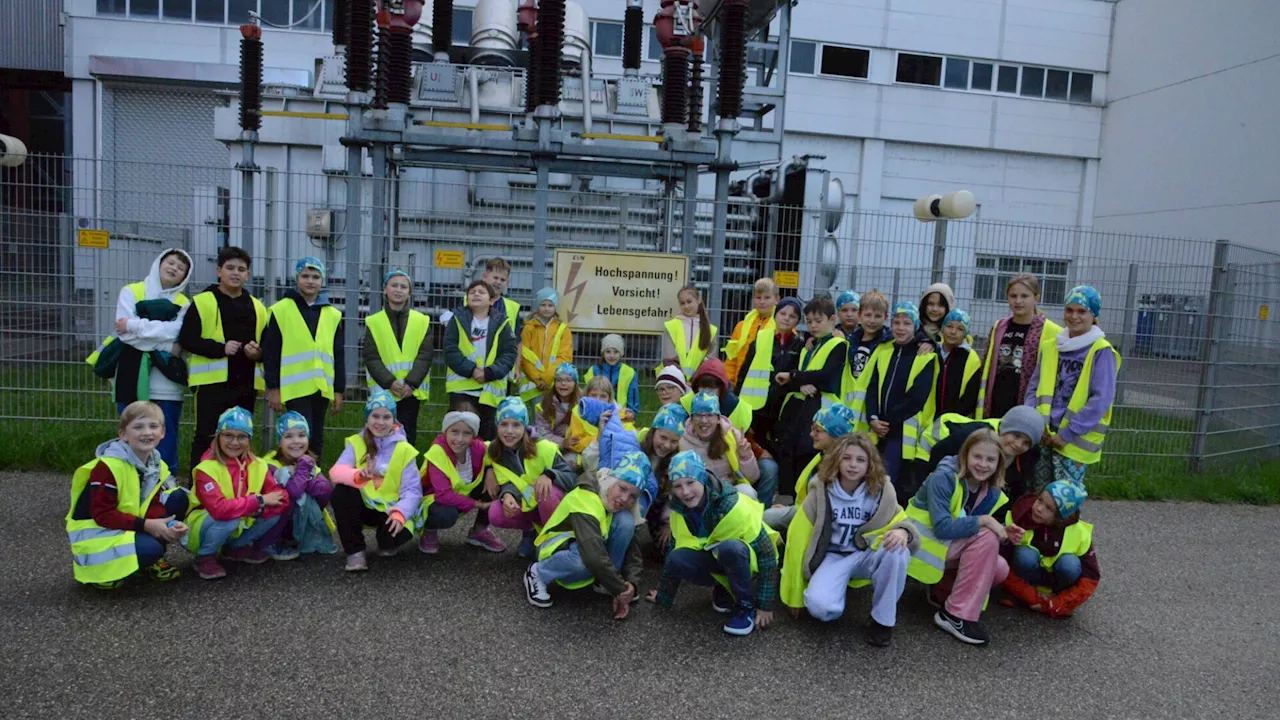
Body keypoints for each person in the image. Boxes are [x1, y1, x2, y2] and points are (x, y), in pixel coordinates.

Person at [779, 434, 918, 646]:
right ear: (837, 459)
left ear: (870, 464)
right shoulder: (821, 491)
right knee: (821, 609)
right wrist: (795, 596)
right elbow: (797, 541)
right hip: (833, 556)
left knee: (898, 551)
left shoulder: (881, 490)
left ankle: (882, 621)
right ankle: (836, 589)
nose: (853, 465)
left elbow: (903, 521)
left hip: (866, 554)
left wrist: (903, 531)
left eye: (860, 460)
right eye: (847, 458)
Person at [646, 451, 779, 637]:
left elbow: (766, 554)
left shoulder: (732, 505)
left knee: (729, 548)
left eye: (690, 482)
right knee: (677, 556)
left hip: (748, 562)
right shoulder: (679, 509)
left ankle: (745, 606)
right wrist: (664, 596)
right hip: (718, 559)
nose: (685, 492)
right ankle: (725, 588)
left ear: (703, 477)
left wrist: (765, 605)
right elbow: (673, 551)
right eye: (677, 486)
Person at [86, 248, 192, 473]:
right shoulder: (131, 291)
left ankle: (165, 485)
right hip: (129, 377)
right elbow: (125, 335)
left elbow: (179, 332)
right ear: (159, 264)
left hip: (166, 384)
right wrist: (164, 344)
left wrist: (136, 326)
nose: (174, 268)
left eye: (181, 267)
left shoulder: (185, 303)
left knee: (166, 435)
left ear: (185, 276)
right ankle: (130, 480)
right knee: (133, 433)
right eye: (170, 262)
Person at [66, 401, 189, 590]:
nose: (147, 432)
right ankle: (102, 571)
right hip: (98, 536)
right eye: (138, 427)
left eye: (153, 426)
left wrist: (169, 525)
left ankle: (150, 560)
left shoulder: (156, 463)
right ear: (123, 434)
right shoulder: (108, 467)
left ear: (162, 432)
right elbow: (103, 515)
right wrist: (147, 525)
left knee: (178, 498)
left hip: (123, 525)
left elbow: (152, 504)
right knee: (151, 548)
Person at [906, 429, 1010, 646]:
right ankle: (954, 615)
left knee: (1000, 567)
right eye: (977, 456)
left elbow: (967, 523)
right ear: (965, 455)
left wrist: (1004, 530)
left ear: (999, 463)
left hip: (945, 548)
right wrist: (985, 522)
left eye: (990, 459)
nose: (983, 464)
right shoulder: (943, 477)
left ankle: (941, 591)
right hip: (918, 544)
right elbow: (943, 527)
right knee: (986, 535)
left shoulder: (991, 490)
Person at [524, 452, 648, 618]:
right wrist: (620, 590)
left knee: (625, 522)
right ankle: (538, 572)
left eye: (633, 496)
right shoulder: (586, 498)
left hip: (584, 546)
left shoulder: (610, 497)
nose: (625, 499)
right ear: (611, 480)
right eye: (622, 488)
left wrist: (631, 583)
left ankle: (605, 582)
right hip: (555, 548)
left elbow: (633, 551)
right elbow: (592, 555)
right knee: (583, 561)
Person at [180, 246, 267, 471]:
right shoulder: (202, 302)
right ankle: (198, 490)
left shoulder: (258, 307)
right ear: (219, 271)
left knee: (240, 437)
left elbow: (267, 346)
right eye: (230, 268)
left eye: (241, 269)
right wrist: (220, 349)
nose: (235, 273)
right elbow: (188, 339)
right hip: (212, 384)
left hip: (246, 384)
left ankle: (236, 486)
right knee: (207, 436)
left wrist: (258, 353)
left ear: (248, 274)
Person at [1025, 285, 1120, 489]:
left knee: (1063, 505)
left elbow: (1100, 399)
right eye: (1069, 310)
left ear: (1093, 315)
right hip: (1044, 436)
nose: (1074, 316)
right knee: (1038, 498)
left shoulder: (1101, 351)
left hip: (1073, 441)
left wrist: (1067, 434)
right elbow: (1034, 389)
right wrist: (1035, 424)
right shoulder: (1051, 346)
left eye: (1082, 311)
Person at [185, 407, 289, 580]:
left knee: (274, 513)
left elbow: (281, 496)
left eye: (241, 437)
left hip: (237, 520)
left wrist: (261, 509)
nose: (234, 442)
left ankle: (233, 549)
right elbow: (219, 509)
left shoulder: (258, 465)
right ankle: (204, 556)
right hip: (203, 527)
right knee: (229, 519)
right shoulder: (206, 469)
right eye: (228, 436)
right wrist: (258, 501)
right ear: (218, 436)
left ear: (249, 440)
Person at [328, 390, 421, 572]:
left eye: (386, 417)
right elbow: (335, 472)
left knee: (389, 540)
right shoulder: (357, 442)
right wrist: (359, 476)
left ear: (394, 420)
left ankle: (386, 541)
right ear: (367, 419)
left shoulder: (404, 449)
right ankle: (355, 552)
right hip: (364, 504)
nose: (380, 422)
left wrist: (400, 513)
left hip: (390, 509)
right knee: (341, 492)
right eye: (375, 416)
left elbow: (413, 490)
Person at [263, 257, 344, 459]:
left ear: (322, 280)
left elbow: (338, 354)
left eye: (316, 276)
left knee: (316, 437)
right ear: (296, 278)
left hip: (321, 387)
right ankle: (294, 478)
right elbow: (271, 352)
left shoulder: (332, 314)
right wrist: (274, 388)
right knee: (298, 435)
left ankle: (313, 480)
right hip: (295, 388)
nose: (310, 281)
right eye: (305, 276)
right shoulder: (281, 310)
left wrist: (338, 390)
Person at [770, 296, 847, 497]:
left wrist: (795, 377)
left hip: (820, 410)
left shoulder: (838, 345)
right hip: (797, 409)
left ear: (832, 319)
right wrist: (800, 381)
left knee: (807, 454)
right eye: (810, 321)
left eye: (818, 321)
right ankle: (786, 501)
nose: (813, 326)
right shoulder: (810, 345)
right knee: (788, 453)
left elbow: (825, 376)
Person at [484, 397, 577, 558]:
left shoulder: (544, 447)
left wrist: (549, 475)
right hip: (530, 502)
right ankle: (531, 532)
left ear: (525, 426)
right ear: (497, 425)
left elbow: (572, 478)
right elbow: (508, 480)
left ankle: (556, 540)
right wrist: (507, 494)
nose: (510, 431)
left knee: (547, 492)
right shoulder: (495, 451)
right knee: (496, 512)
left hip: (554, 505)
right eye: (504, 424)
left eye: (516, 425)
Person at [863, 301, 936, 497]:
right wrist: (872, 418)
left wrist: (886, 421)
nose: (901, 328)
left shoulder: (925, 356)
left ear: (915, 327)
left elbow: (916, 398)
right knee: (868, 476)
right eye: (896, 323)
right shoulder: (884, 351)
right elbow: (871, 388)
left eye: (906, 323)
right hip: (877, 429)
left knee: (887, 480)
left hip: (901, 432)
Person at [1001, 481, 1100, 617]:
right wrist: (1032, 598)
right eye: (1040, 500)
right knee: (1024, 555)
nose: (1039, 508)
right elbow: (1002, 562)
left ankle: (1059, 599)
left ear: (1060, 518)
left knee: (1070, 563)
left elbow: (1091, 578)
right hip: (1026, 583)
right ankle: (1017, 596)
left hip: (1058, 586)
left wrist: (1055, 604)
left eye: (1049, 508)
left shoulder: (1079, 534)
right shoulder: (1019, 517)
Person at [362, 270, 433, 448]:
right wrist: (390, 382)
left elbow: (425, 356)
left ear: (409, 292)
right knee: (380, 433)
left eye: (403, 287)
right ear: (385, 289)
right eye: (394, 285)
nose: (398, 290)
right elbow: (371, 356)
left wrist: (411, 383)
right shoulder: (374, 321)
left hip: (410, 391)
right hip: (384, 390)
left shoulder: (422, 321)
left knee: (407, 434)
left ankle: (405, 471)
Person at [762, 402, 858, 533]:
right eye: (812, 429)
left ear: (835, 434)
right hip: (806, 511)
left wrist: (793, 512)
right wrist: (791, 508)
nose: (812, 434)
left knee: (767, 518)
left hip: (817, 520)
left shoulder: (843, 467)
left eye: (817, 430)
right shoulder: (823, 456)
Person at [977, 273, 1061, 420]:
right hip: (997, 403)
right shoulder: (999, 327)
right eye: (1013, 296)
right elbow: (987, 365)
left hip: (1028, 407)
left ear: (1036, 298)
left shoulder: (1052, 331)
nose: (1018, 301)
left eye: (1024, 296)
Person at [917, 406, 1045, 503]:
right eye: (1016, 435)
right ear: (1005, 428)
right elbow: (937, 454)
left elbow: (1014, 491)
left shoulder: (1028, 456)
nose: (1018, 444)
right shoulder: (972, 436)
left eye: (1026, 442)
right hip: (928, 453)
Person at [444, 279, 518, 441]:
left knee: (487, 437)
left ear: (492, 300)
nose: (476, 294)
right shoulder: (456, 320)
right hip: (462, 389)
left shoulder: (503, 322)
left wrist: (489, 372)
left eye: (481, 292)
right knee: (462, 436)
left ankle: (485, 466)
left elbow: (509, 353)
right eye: (472, 292)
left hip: (490, 390)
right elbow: (450, 350)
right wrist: (472, 370)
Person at [418, 408, 501, 555]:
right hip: (435, 501)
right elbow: (442, 495)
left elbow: (497, 450)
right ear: (445, 432)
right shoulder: (437, 451)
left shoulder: (478, 448)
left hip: (461, 495)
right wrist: (478, 504)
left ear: (474, 436)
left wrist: (490, 469)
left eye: (467, 433)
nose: (460, 439)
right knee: (446, 514)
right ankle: (429, 529)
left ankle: (479, 531)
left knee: (497, 480)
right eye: (454, 432)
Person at [262, 411, 336, 558]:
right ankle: (269, 543)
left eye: (301, 435)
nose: (296, 441)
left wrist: (302, 477)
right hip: (274, 522)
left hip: (296, 519)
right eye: (288, 436)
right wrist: (302, 473)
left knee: (310, 496)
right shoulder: (270, 464)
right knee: (286, 499)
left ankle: (299, 538)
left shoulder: (307, 460)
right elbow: (293, 492)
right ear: (279, 441)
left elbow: (325, 491)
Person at [748, 296, 806, 466]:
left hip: (784, 409)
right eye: (783, 313)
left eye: (792, 316)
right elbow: (745, 373)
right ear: (775, 315)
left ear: (797, 321)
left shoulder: (800, 345)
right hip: (758, 407)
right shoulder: (761, 339)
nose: (786, 318)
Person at [680, 391, 761, 499]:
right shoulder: (682, 442)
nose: (704, 420)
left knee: (748, 492)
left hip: (729, 492)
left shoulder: (732, 436)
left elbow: (752, 478)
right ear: (691, 419)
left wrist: (745, 457)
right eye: (698, 415)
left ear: (718, 418)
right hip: (700, 497)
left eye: (709, 415)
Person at [638, 403, 687, 556]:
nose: (666, 445)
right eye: (663, 437)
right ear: (654, 431)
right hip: (635, 499)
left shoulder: (677, 460)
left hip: (659, 506)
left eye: (673, 441)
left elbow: (675, 496)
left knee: (666, 548)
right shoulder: (637, 445)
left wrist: (669, 523)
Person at [725, 278, 780, 409]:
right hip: (739, 388)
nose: (762, 301)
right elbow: (731, 359)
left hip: (766, 393)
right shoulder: (741, 326)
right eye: (758, 297)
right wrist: (728, 385)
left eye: (767, 297)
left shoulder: (781, 327)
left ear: (777, 299)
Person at [518, 287, 573, 405]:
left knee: (554, 416)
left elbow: (564, 357)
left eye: (550, 305)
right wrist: (537, 379)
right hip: (533, 385)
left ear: (555, 307)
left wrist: (547, 379)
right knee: (536, 418)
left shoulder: (563, 330)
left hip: (554, 383)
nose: (546, 308)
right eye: (543, 305)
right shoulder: (528, 328)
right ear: (537, 306)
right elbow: (524, 356)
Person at [842, 289, 892, 414]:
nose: (872, 321)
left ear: (886, 317)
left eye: (878, 316)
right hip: (849, 407)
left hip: (873, 409)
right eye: (868, 315)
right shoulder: (851, 341)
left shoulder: (888, 343)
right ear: (859, 316)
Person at [682, 357, 753, 434]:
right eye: (702, 387)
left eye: (711, 388)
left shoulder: (738, 409)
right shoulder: (688, 403)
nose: (706, 393)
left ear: (721, 389)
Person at [932, 308, 981, 419]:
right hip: (929, 418)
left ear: (966, 333)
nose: (953, 332)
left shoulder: (971, 358)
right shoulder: (932, 351)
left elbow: (971, 396)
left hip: (956, 420)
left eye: (960, 329)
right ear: (943, 328)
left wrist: (952, 418)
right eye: (949, 326)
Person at [662, 284, 718, 379]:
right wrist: (681, 379)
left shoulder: (711, 330)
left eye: (689, 301)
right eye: (682, 303)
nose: (686, 306)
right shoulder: (671, 326)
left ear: (699, 300)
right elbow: (669, 359)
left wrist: (694, 380)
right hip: (676, 382)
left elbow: (710, 361)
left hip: (700, 382)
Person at [533, 362, 583, 467]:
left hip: (579, 448)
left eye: (568, 380)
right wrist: (563, 443)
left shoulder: (584, 403)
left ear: (575, 383)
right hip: (553, 448)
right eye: (559, 380)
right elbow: (542, 434)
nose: (563, 383)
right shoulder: (544, 406)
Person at [585, 333, 640, 416]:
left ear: (621, 353)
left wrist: (630, 413)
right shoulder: (593, 371)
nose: (612, 356)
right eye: (608, 352)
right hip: (596, 415)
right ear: (603, 353)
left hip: (621, 416)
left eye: (616, 352)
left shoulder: (629, 373)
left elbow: (633, 397)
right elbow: (587, 395)